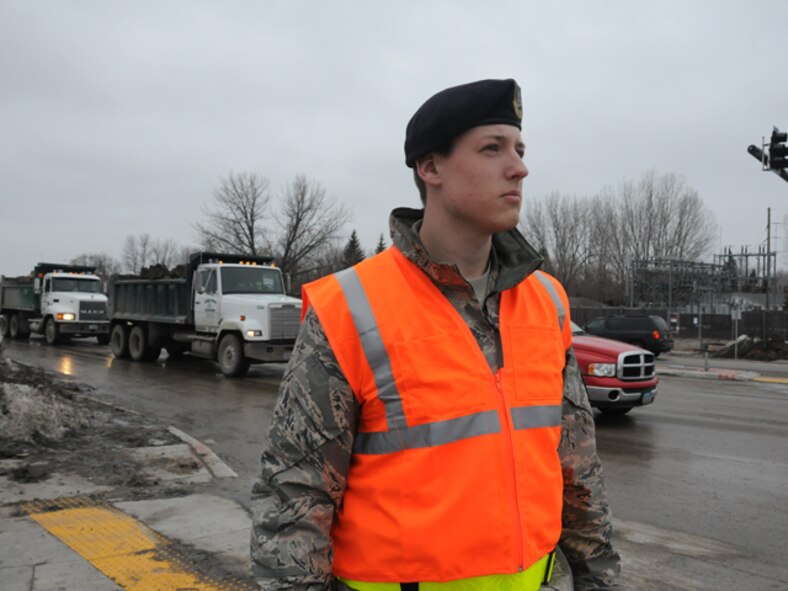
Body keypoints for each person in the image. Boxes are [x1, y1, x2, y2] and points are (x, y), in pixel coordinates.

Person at [251, 78, 621, 591]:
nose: (519, 167)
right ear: (430, 168)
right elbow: (294, 496)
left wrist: (600, 581)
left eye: (519, 149)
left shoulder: (548, 301)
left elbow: (579, 474)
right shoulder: (353, 307)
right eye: (492, 148)